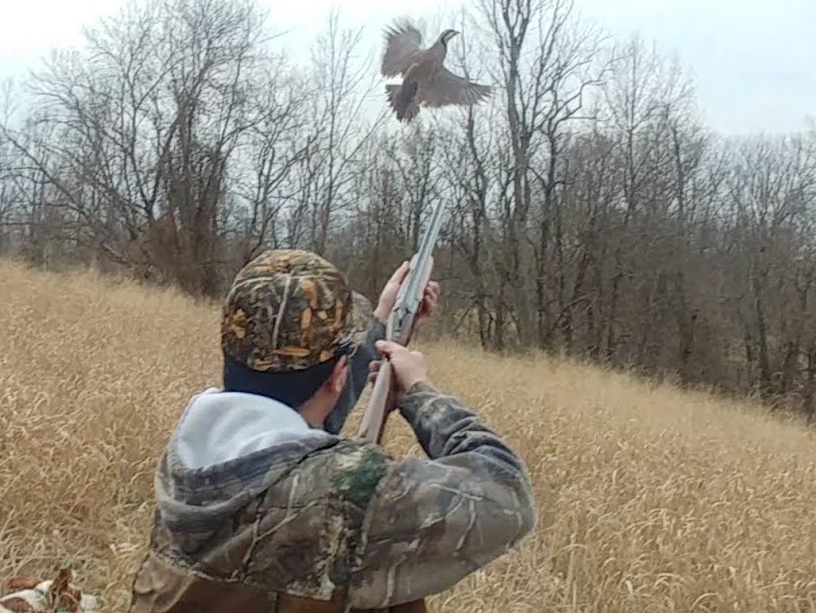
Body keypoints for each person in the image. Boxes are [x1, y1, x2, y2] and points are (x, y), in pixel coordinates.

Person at [129, 249, 536, 612]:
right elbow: (509, 497)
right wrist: (419, 392)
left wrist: (383, 324)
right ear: (338, 375)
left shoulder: (191, 452)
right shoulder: (345, 492)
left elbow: (294, 447)